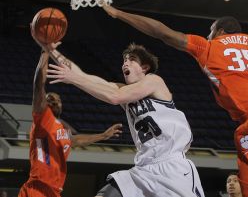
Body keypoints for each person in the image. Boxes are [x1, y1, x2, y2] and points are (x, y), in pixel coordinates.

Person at [101, 5, 248, 197]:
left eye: (210, 31)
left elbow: (163, 32)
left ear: (220, 31)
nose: (207, 35)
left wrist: (119, 14)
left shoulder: (210, 47)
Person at [44, 42, 205, 197]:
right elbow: (81, 76)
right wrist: (50, 49)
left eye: (132, 59)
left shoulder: (154, 81)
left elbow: (115, 97)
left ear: (145, 67)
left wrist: (74, 79)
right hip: (143, 169)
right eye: (124, 60)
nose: (125, 63)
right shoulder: (123, 90)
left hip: (172, 168)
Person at [18, 34, 122, 197]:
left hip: (54, 190)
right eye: (48, 98)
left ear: (61, 104)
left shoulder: (62, 129)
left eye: (56, 98)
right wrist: (45, 52)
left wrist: (103, 135)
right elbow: (39, 84)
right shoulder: (42, 118)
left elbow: (75, 140)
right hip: (37, 188)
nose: (52, 98)